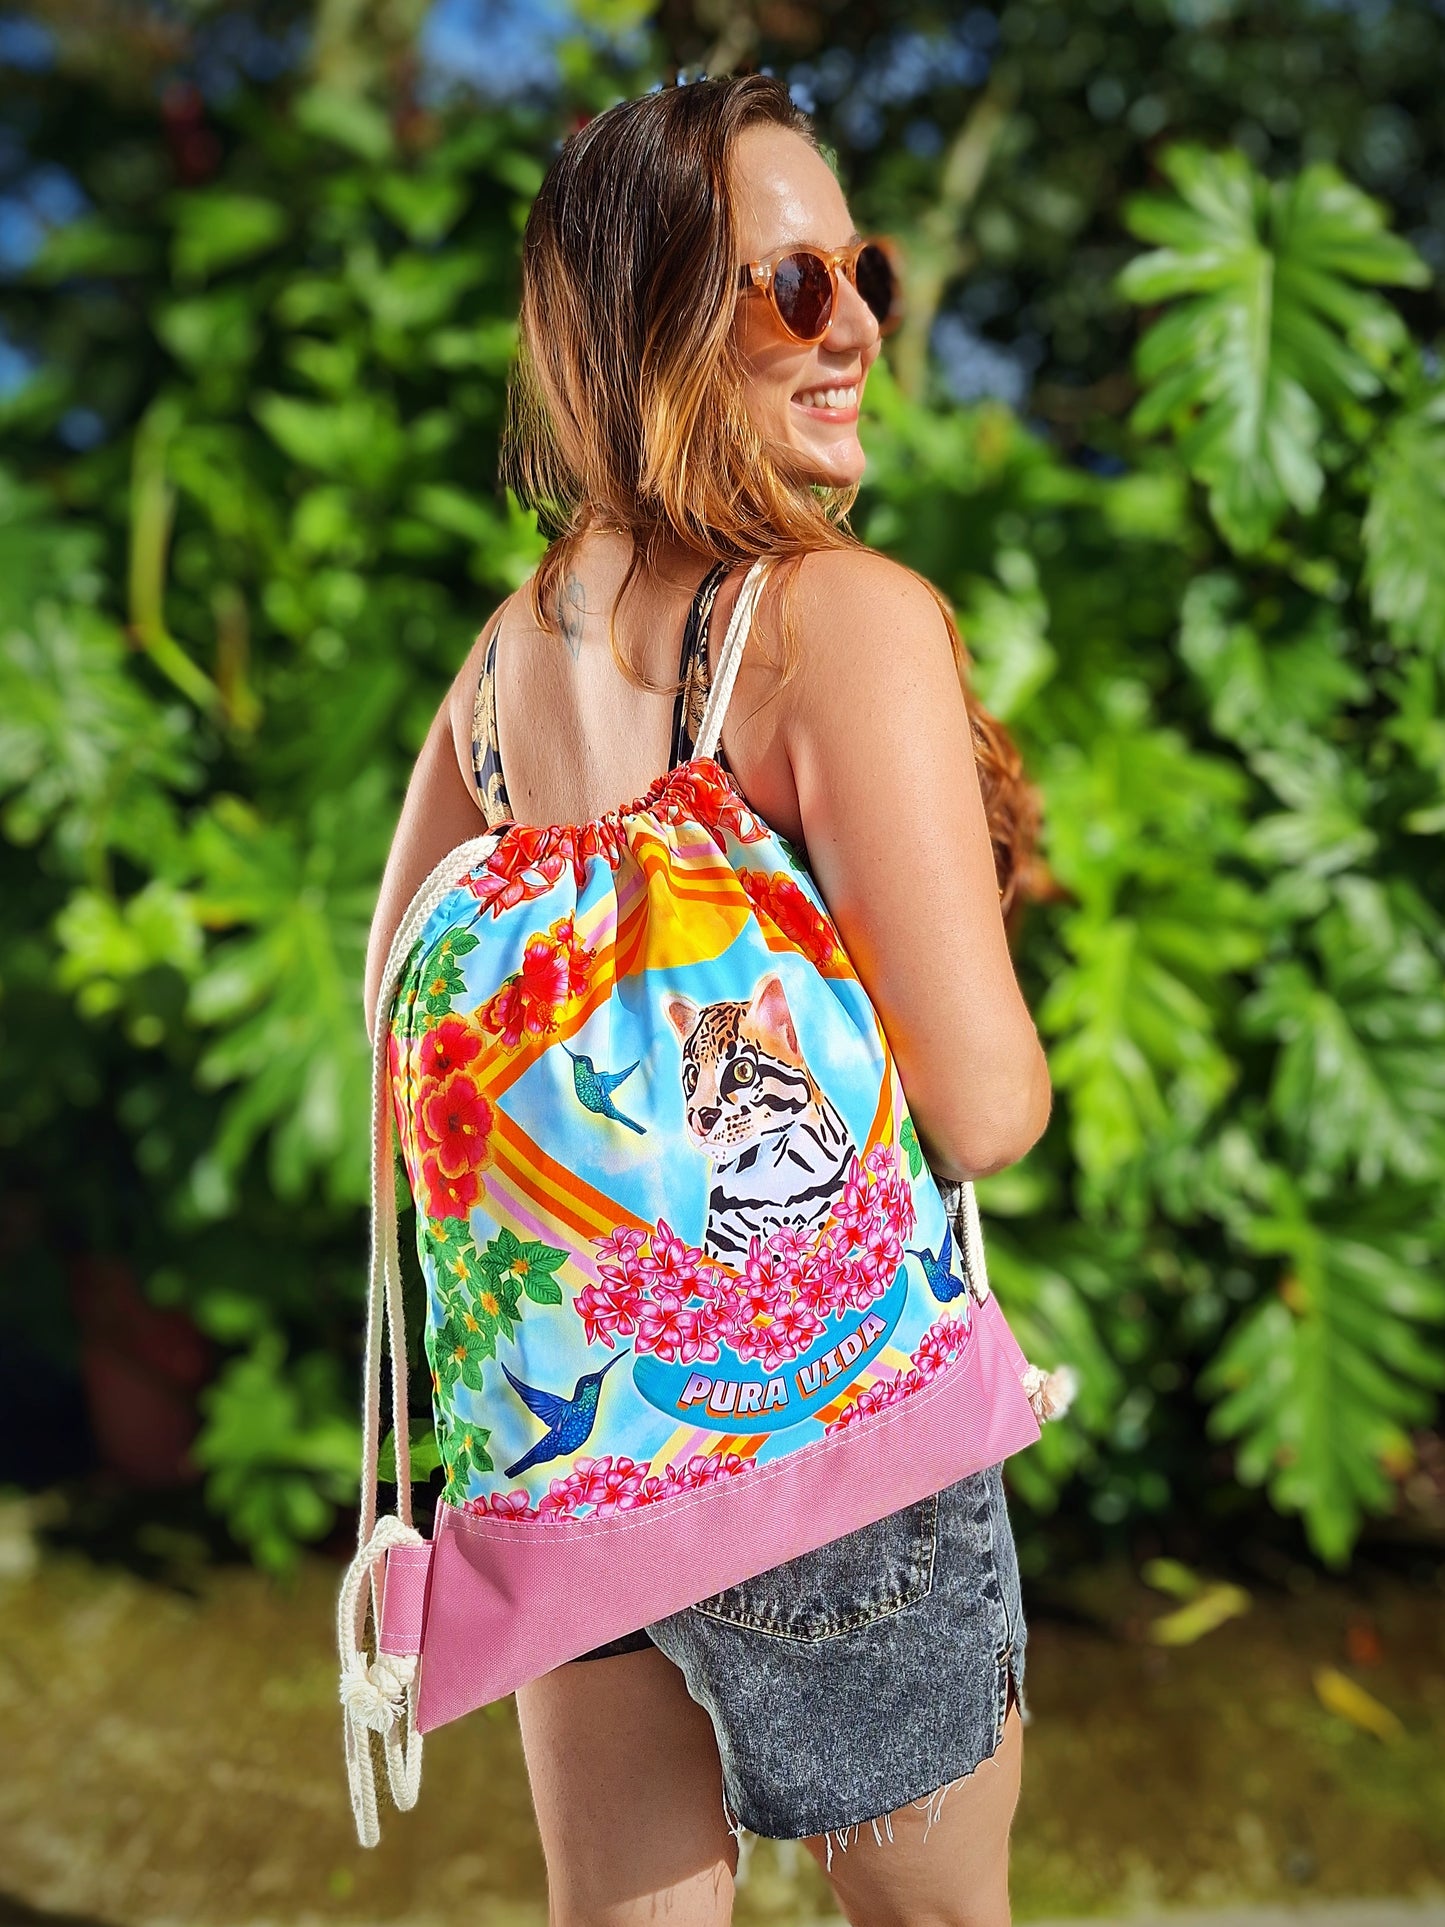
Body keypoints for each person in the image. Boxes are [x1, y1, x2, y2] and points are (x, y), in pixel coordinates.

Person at [365, 72, 1052, 1927]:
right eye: (792, 286)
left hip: (582, 1457)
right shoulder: (839, 617)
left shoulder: (497, 670)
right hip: (828, 1440)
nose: (856, 330)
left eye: (862, 274)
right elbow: (984, 1108)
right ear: (651, 323)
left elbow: (394, 1017)